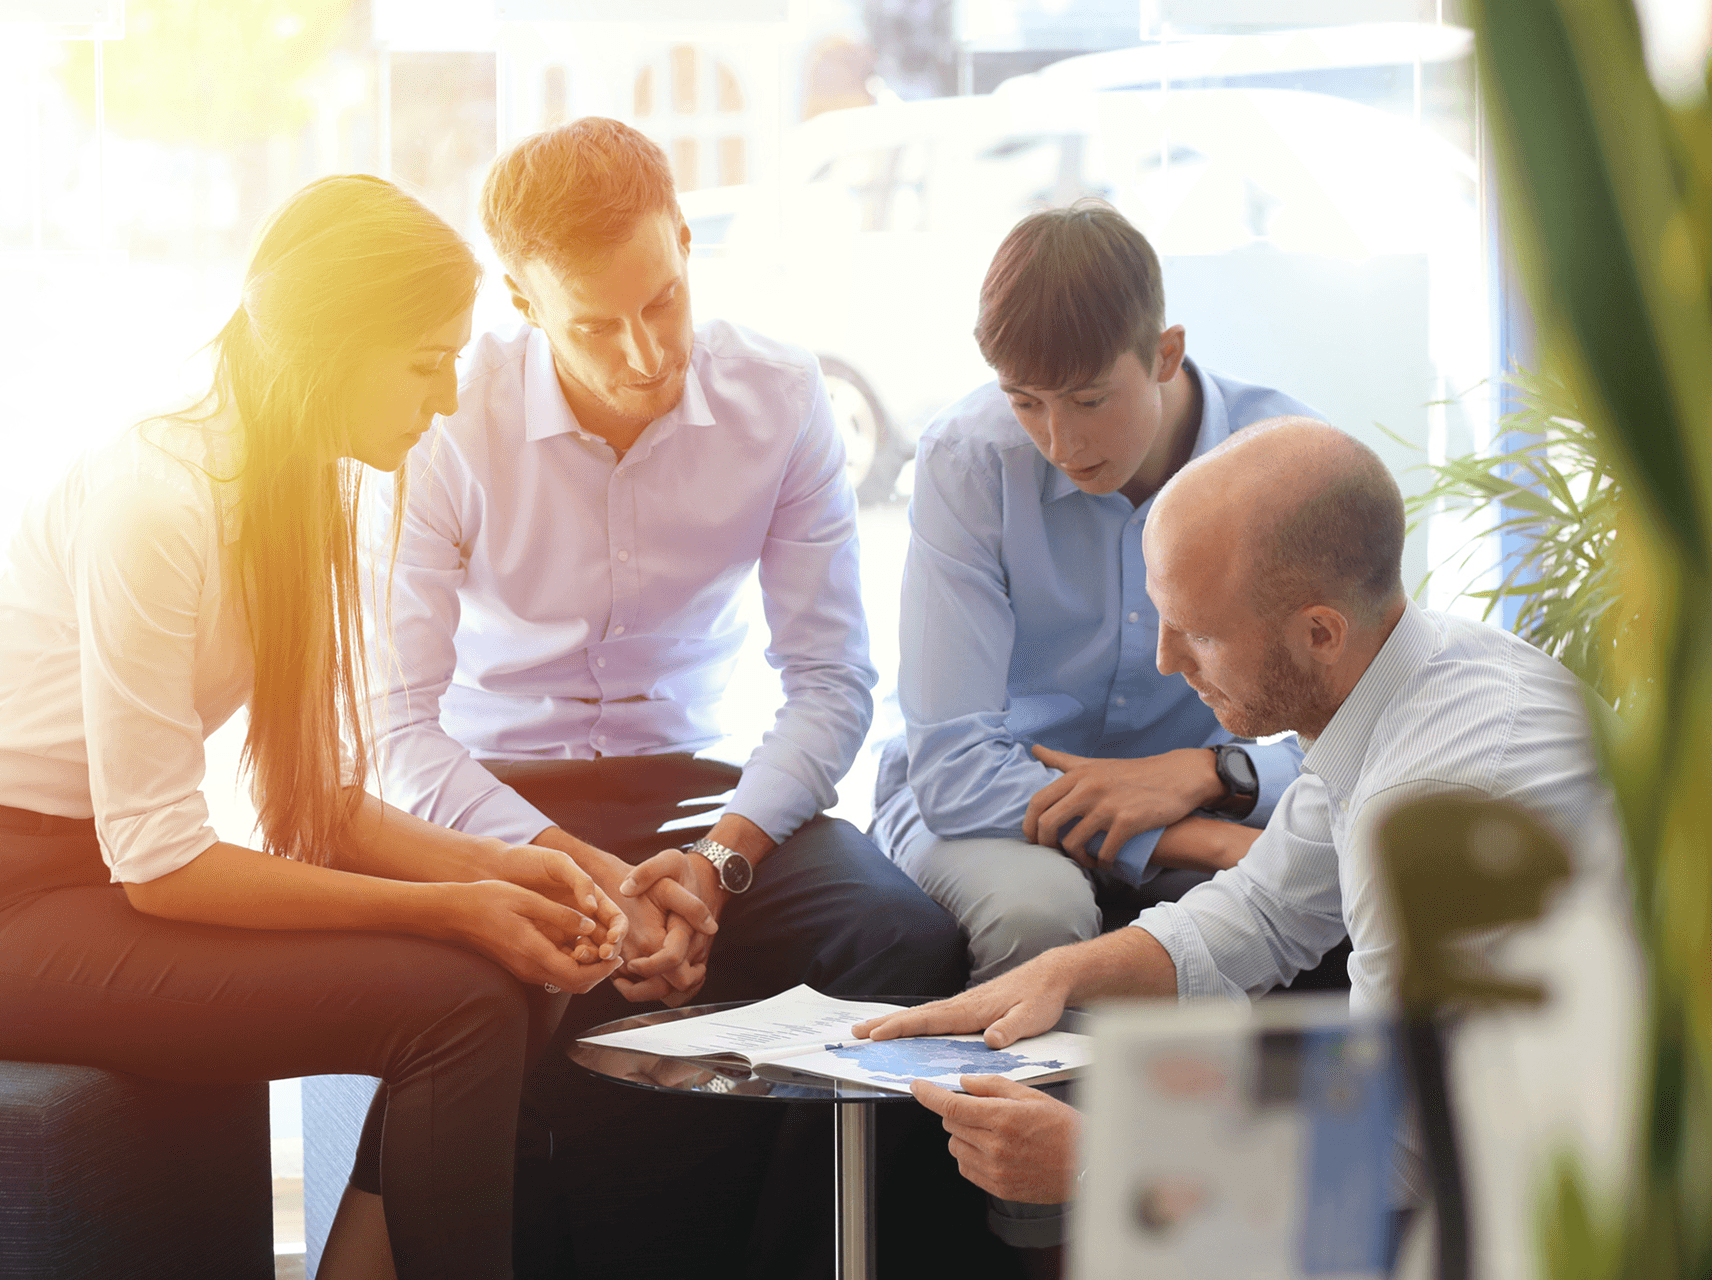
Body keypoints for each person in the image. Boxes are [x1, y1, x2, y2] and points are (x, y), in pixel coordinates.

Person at [0, 175, 629, 1280]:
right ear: (329, 349)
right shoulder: (156, 500)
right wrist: (457, 908)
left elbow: (310, 808)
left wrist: (518, 872)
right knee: (460, 1002)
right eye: (426, 363)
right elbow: (165, 863)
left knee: (512, 973)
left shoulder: (298, 497)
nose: (443, 400)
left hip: (90, 885)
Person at [367, 117, 969, 1278]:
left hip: (703, 796)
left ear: (687, 244)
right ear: (523, 301)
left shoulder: (782, 399)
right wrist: (582, 874)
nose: (644, 352)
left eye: (665, 299)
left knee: (902, 934)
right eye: (595, 323)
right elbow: (400, 728)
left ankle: (793, 1258)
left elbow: (833, 680)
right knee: (489, 992)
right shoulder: (444, 419)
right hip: (504, 801)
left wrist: (720, 860)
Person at [854, 417, 1622, 1257]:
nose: (1163, 660)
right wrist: (1057, 972)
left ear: (1318, 633)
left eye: (1198, 631)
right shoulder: (1398, 681)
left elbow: (1409, 1144)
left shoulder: (1433, 802)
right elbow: (1260, 913)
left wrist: (1102, 1159)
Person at [870, 199, 1321, 993]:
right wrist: (1194, 838)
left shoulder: (1284, 463)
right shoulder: (969, 462)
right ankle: (1003, 1124)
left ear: (1165, 353)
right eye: (1024, 402)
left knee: (1282, 901)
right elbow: (954, 768)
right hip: (997, 811)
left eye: (1087, 400)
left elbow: (1356, 728)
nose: (1060, 442)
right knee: (1038, 916)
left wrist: (1218, 773)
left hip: (1208, 796)